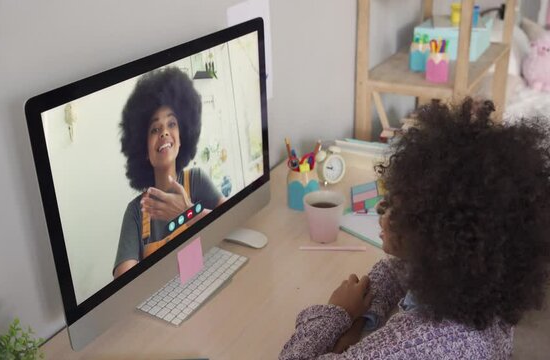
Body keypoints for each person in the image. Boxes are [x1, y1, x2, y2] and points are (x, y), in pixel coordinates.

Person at [280, 98, 550, 359]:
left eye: (396, 209)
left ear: (437, 239)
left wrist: (338, 313)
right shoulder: (479, 287)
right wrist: (356, 327)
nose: (380, 210)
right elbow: (394, 270)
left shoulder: (421, 347)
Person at [113, 67, 224, 278]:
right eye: (155, 129)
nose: (164, 132)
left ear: (182, 137)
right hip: (160, 303)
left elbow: (232, 223)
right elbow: (123, 281)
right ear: (143, 149)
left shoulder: (197, 181)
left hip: (207, 282)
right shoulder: (136, 212)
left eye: (171, 124)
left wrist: (188, 212)